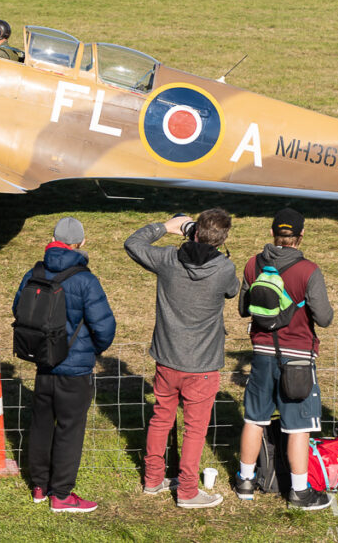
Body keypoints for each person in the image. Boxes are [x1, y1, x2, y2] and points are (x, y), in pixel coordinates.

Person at [125, 210, 239, 509]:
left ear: (194, 231)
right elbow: (233, 291)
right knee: (195, 429)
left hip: (167, 357)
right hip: (202, 364)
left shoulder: (168, 260)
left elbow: (133, 243)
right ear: (222, 238)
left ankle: (153, 479)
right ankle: (187, 491)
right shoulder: (224, 268)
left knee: (161, 418)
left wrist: (165, 226)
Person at [13, 217, 116, 514]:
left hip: (43, 364)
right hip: (75, 370)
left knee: (41, 425)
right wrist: (91, 351)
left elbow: (19, 310)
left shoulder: (34, 273)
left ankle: (39, 486)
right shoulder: (85, 279)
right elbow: (104, 326)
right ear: (81, 243)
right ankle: (61, 494)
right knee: (70, 430)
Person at [235, 209, 334, 510]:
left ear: (272, 233)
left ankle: (245, 482)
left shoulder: (253, 264)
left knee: (254, 418)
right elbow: (325, 318)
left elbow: (243, 308)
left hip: (262, 354)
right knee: (297, 426)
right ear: (301, 235)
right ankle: (300, 492)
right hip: (299, 358)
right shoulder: (308, 270)